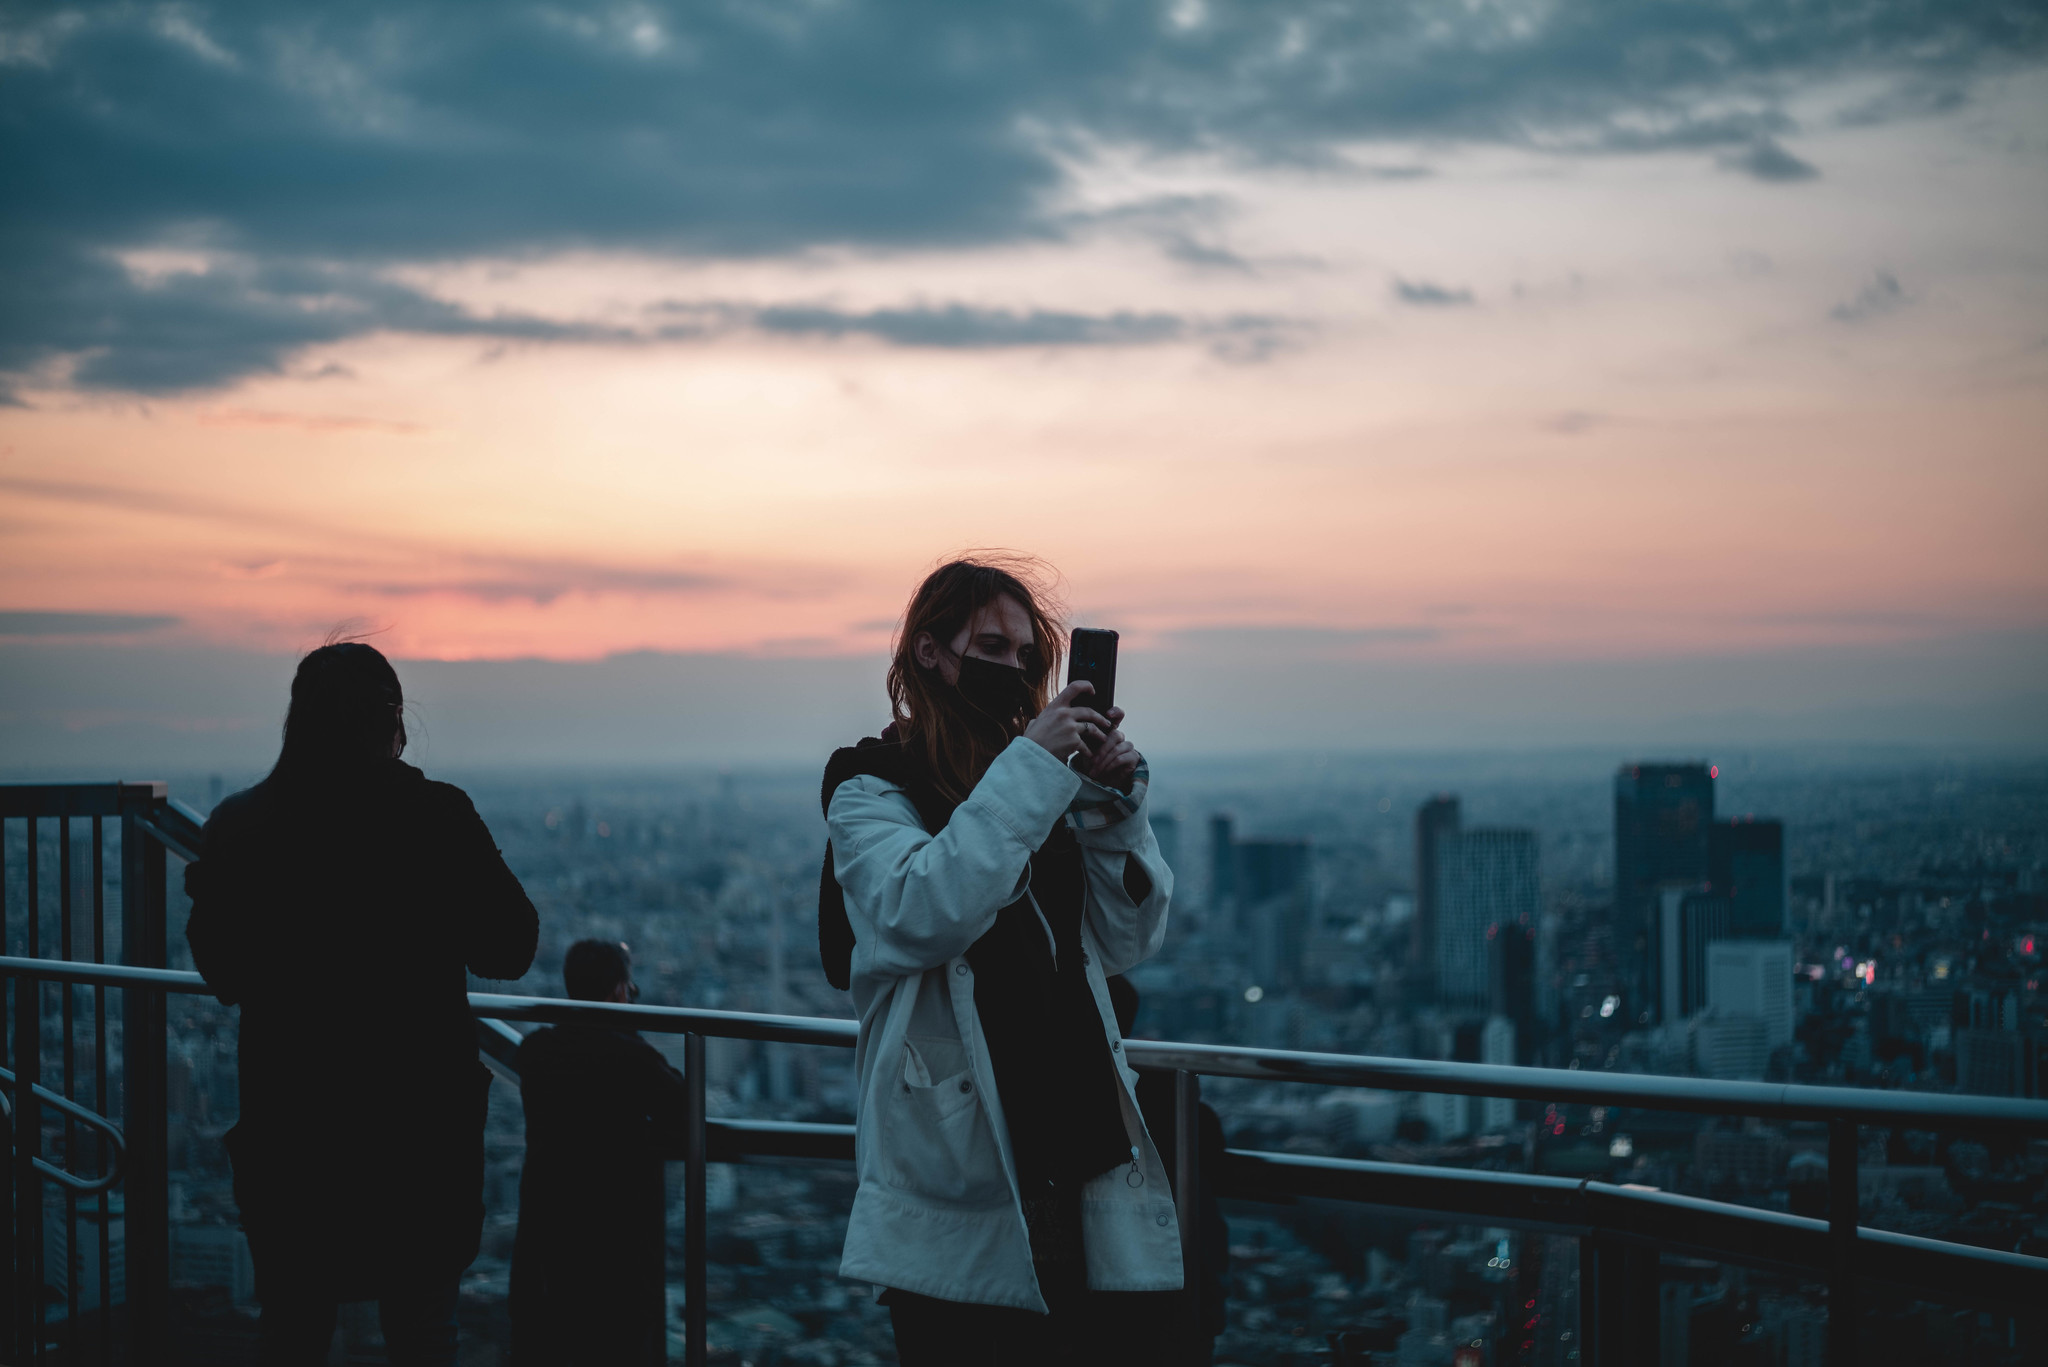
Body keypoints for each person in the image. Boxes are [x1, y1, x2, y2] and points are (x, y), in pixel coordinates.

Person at [817, 555, 1181, 1365]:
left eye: (1026, 655)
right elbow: (923, 908)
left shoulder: (1035, 792)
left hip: (1070, 1154)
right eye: (991, 645)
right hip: (962, 1162)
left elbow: (1125, 943)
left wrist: (1112, 808)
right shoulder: (871, 787)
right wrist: (1036, 769)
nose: (1014, 669)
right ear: (929, 653)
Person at [184, 641, 539, 1367]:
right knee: (423, 1331)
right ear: (392, 719)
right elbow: (511, 945)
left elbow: (222, 969)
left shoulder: (242, 824)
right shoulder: (435, 815)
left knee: (291, 1329)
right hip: (416, 1134)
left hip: (293, 1130)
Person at [509, 939, 690, 1366]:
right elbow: (682, 1105)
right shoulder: (631, 1060)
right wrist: (627, 1032)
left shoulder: (536, 1052)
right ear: (618, 992)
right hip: (615, 1261)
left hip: (546, 1250)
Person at [1106, 974, 1231, 1363]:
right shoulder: (1173, 1092)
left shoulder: (1054, 1091)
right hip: (1182, 1292)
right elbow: (1216, 1161)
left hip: (1108, 1301)